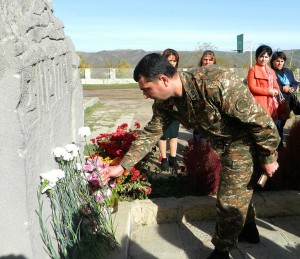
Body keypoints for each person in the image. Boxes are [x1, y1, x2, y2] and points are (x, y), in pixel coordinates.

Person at [102, 53, 280, 258]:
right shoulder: (165, 103)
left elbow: (261, 123)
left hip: (243, 142)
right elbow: (152, 133)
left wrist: (269, 157)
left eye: (146, 89)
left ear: (163, 80)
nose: (145, 95)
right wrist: (122, 166)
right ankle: (248, 230)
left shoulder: (215, 82)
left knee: (229, 200)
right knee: (238, 191)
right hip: (223, 144)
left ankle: (222, 252)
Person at [271, 51, 299, 147]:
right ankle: (279, 147)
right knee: (277, 125)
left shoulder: (288, 71)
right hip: (277, 103)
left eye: (282, 61)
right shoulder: (271, 72)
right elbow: (269, 85)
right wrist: (282, 88)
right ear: (273, 61)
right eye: (277, 61)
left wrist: (293, 88)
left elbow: (294, 82)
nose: (280, 63)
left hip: (289, 102)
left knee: (283, 123)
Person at [158, 49, 180, 170]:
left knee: (174, 134)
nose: (172, 63)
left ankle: (173, 158)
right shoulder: (158, 74)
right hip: (161, 108)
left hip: (175, 109)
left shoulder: (177, 75)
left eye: (174, 61)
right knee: (162, 135)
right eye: (169, 60)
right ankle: (164, 159)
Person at [247, 45, 280, 120]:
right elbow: (252, 88)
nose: (263, 59)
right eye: (261, 56)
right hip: (258, 103)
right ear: (257, 57)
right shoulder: (253, 70)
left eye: (266, 57)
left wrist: (275, 91)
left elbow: (276, 86)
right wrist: (269, 92)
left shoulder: (271, 71)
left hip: (271, 103)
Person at [193, 50, 217, 140]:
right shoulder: (195, 73)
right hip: (199, 107)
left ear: (214, 61)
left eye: (210, 60)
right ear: (202, 60)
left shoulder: (218, 73)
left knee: (212, 134)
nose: (207, 62)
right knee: (199, 132)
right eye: (205, 59)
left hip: (214, 107)